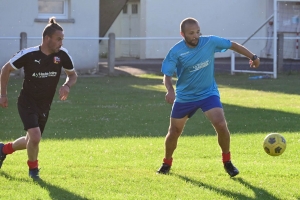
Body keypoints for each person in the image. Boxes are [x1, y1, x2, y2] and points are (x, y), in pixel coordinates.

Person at [157, 17, 260, 177]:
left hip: (208, 93)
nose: (196, 36)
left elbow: (232, 45)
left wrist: (253, 57)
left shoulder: (210, 42)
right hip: (185, 97)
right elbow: (167, 75)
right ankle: (166, 163)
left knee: (221, 124)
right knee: (174, 131)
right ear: (182, 34)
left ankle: (227, 162)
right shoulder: (176, 51)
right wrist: (170, 90)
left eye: (198, 32)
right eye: (191, 33)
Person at [0, 17, 77, 180]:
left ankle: (3, 150)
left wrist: (67, 85)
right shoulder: (29, 54)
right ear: (47, 38)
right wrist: (3, 95)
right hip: (27, 101)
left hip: (44, 105)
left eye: (62, 39)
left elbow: (72, 75)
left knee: (31, 140)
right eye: (58, 39)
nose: (61, 43)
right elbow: (5, 69)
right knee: (35, 137)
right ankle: (33, 170)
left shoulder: (62, 55)